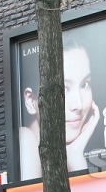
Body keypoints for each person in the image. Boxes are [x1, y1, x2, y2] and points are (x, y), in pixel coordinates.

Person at [19, 34, 100, 179]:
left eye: (85, 84)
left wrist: (75, 155)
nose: (79, 105)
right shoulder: (25, 138)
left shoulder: (57, 154)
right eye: (62, 89)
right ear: (31, 101)